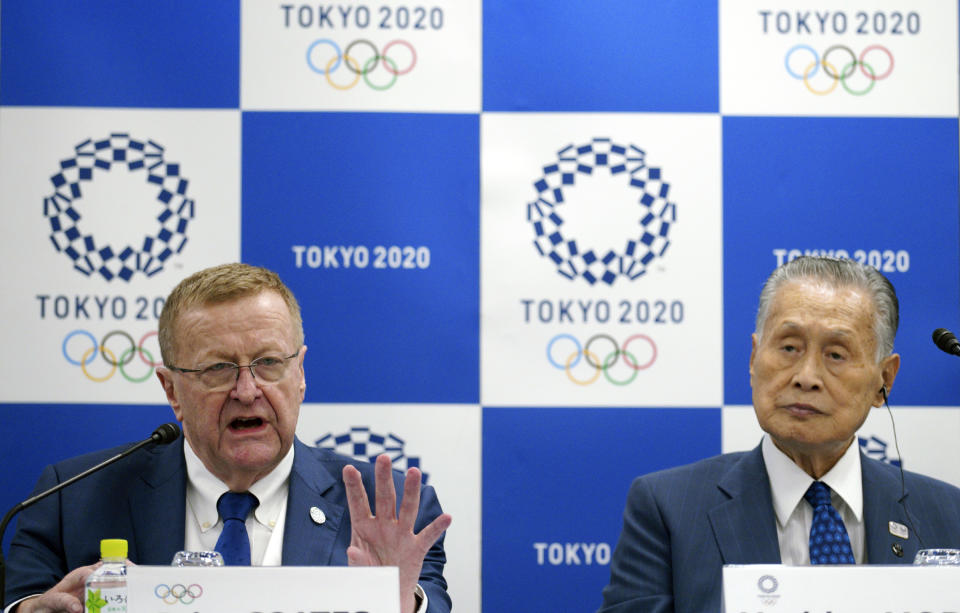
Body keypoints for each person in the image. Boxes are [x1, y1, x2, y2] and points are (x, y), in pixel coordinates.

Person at [4, 263, 452, 613]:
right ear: (171, 391)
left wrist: (397, 603)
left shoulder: (382, 513)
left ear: (300, 374)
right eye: (217, 369)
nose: (246, 390)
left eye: (269, 363)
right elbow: (23, 601)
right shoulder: (71, 499)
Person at [597, 256, 960, 613]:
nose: (806, 376)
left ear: (885, 380)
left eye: (835, 354)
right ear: (754, 358)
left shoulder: (947, 513)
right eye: (788, 348)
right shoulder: (669, 509)